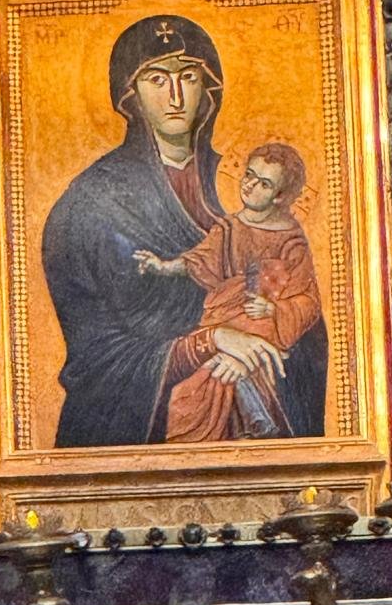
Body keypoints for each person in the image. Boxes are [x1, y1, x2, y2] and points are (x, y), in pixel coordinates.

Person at [44, 16, 328, 449]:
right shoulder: (92, 202)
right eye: (157, 79)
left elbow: (304, 313)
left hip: (257, 421)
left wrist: (260, 336)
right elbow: (94, 353)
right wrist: (210, 342)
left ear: (208, 89)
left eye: (189, 77)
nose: (175, 96)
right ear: (130, 94)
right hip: (149, 430)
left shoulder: (244, 184)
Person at [135, 142, 322, 442]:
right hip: (223, 322)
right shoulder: (229, 227)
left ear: (280, 196)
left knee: (214, 380)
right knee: (190, 395)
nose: (250, 185)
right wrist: (163, 267)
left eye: (264, 184)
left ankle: (251, 422)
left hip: (264, 328)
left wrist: (273, 310)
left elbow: (307, 302)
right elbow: (199, 259)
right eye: (249, 175)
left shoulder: (292, 241)